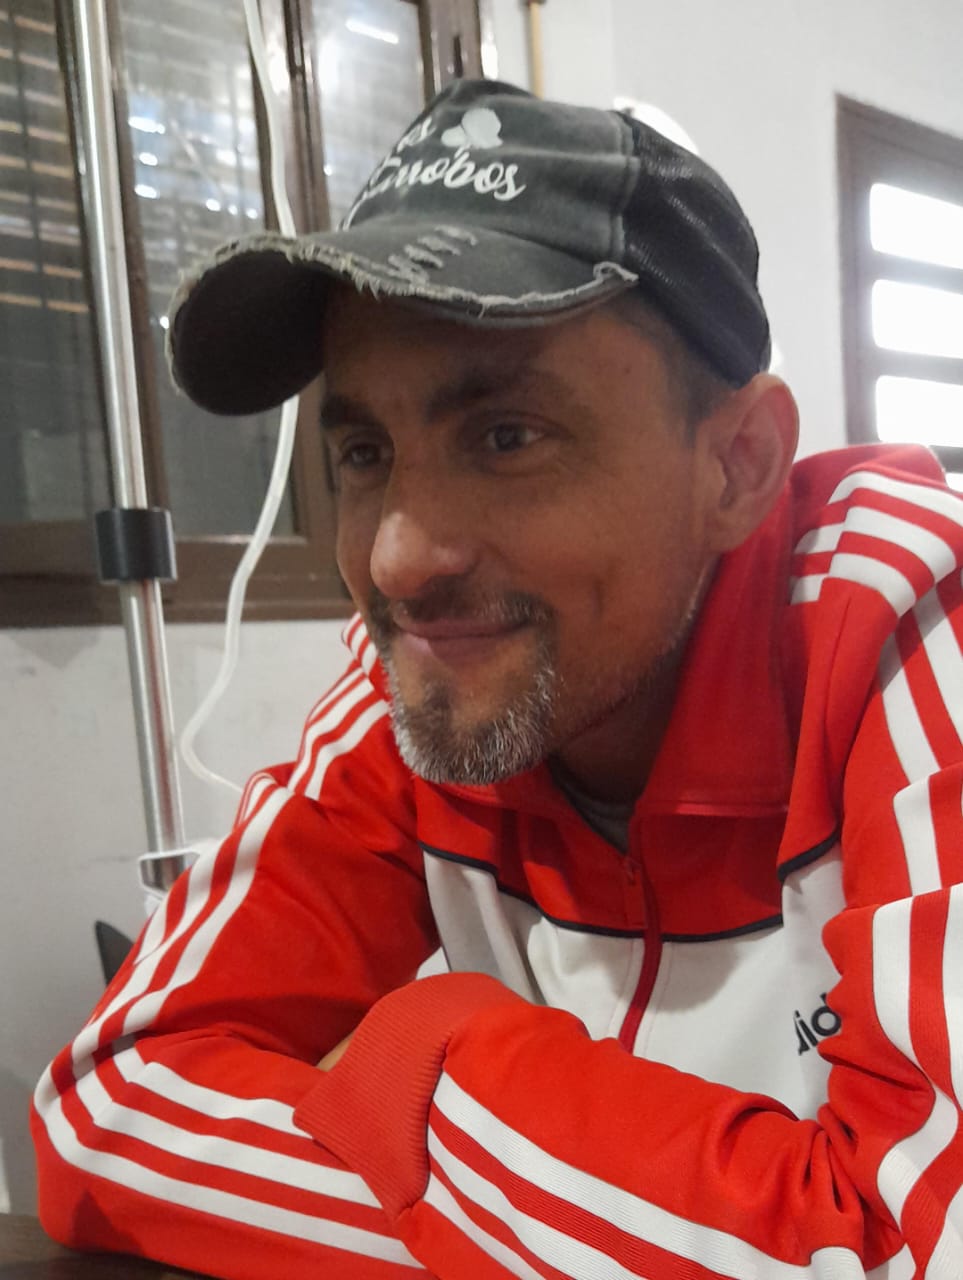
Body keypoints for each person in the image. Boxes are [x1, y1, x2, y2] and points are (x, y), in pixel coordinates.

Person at [32, 77, 963, 1280]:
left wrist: (441, 1064)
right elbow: (108, 1106)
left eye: (507, 436)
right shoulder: (426, 685)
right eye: (364, 450)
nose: (396, 560)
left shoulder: (906, 629)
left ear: (738, 464)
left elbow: (922, 1245)